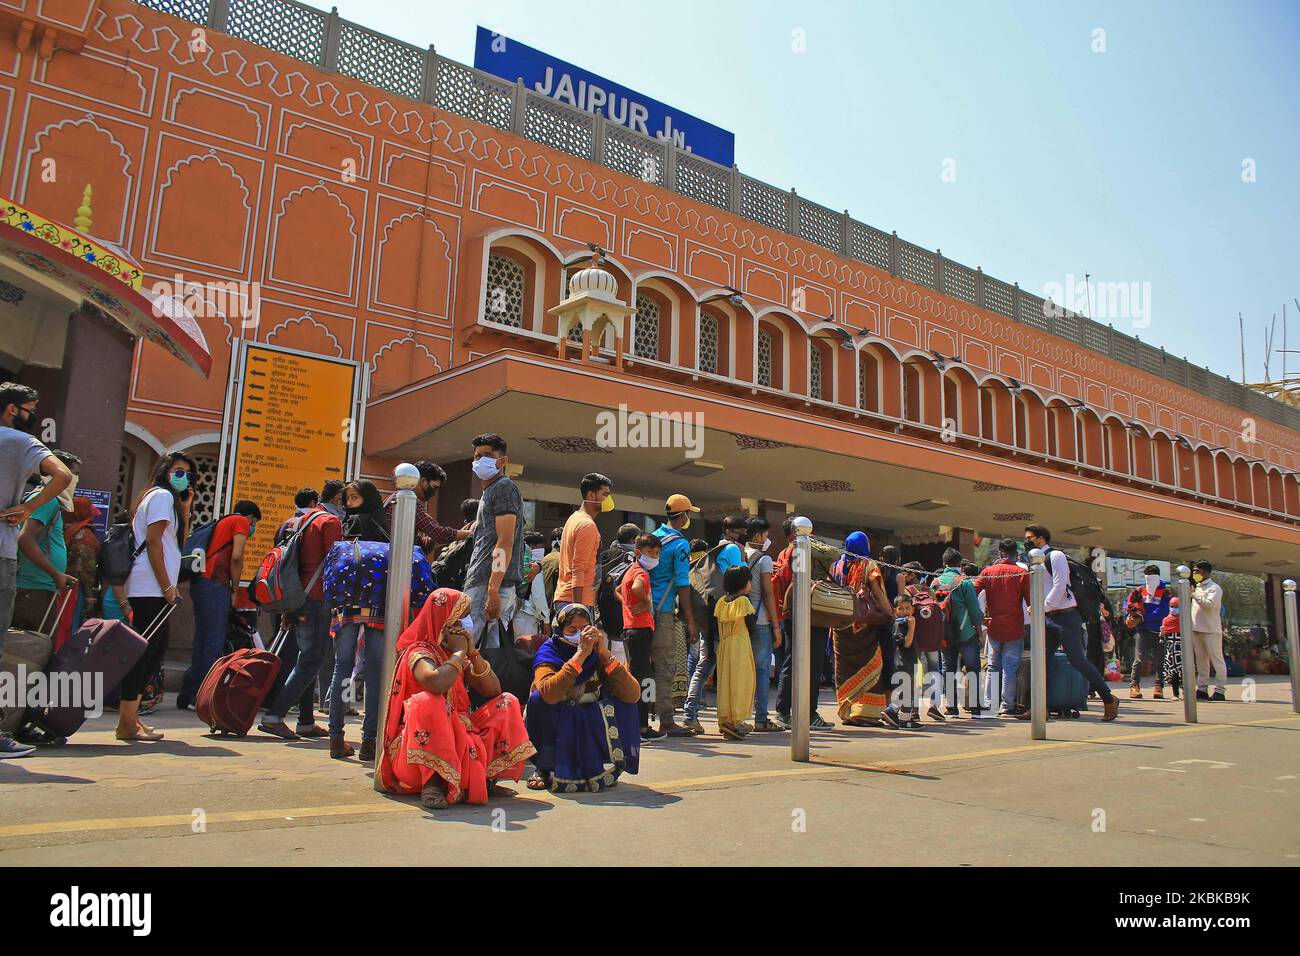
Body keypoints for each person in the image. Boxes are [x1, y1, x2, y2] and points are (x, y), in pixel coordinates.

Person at [117, 452, 195, 742]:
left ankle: (131, 717)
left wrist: (185, 511)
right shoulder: (161, 496)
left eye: (187, 472)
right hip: (151, 587)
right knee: (144, 654)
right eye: (178, 471)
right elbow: (153, 542)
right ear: (164, 471)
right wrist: (167, 587)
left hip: (152, 586)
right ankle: (126, 722)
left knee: (152, 652)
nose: (183, 477)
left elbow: (175, 543)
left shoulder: (163, 499)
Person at [525, 603, 641, 793]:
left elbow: (633, 693)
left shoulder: (597, 653)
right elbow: (549, 694)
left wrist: (604, 654)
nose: (580, 635)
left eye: (584, 629)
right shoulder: (549, 651)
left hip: (588, 712)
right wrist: (580, 656)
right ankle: (543, 767)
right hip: (557, 712)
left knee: (625, 702)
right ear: (560, 629)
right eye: (572, 630)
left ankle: (604, 762)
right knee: (538, 700)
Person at [259, 493, 343, 740]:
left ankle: (306, 721)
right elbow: (334, 562)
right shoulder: (329, 522)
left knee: (304, 658)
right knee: (311, 660)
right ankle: (274, 715)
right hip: (316, 598)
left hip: (294, 596)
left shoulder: (293, 522)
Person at [1023, 525, 1118, 721]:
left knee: (1078, 660)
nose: (1027, 541)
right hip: (1047, 617)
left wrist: (1042, 606)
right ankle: (1040, 707)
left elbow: (1060, 585)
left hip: (1066, 616)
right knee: (1042, 663)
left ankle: (1108, 698)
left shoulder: (1055, 556)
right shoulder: (1034, 561)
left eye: (1030, 537)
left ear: (1041, 539)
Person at [328, 479, 391, 760]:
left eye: (355, 498)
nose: (350, 504)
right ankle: (369, 741)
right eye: (348, 499)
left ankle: (336, 737)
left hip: (346, 603)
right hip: (377, 604)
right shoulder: (382, 524)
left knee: (343, 669)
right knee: (376, 670)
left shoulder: (348, 525)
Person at [178, 499, 261, 709]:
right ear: (250, 517)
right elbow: (236, 557)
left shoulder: (221, 522)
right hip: (215, 583)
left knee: (202, 640)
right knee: (214, 641)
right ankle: (202, 696)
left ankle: (188, 693)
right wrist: (234, 587)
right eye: (255, 523)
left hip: (201, 583)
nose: (252, 528)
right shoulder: (240, 521)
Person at [683, 514, 747, 733]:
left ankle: (690, 715)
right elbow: (740, 581)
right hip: (725, 616)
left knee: (704, 665)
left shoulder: (716, 550)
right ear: (733, 532)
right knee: (731, 668)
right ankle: (731, 720)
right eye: (742, 532)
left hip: (708, 612)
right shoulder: (733, 550)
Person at [772, 517, 835, 730]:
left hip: (791, 612)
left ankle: (784, 710)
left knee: (792, 661)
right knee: (813, 663)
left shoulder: (783, 552)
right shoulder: (804, 549)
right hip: (811, 612)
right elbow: (834, 556)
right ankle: (807, 712)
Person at [464, 434, 525, 650]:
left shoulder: (503, 488)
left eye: (488, 455)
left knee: (473, 649)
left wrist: (493, 589)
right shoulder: (490, 491)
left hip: (490, 583)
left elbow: (505, 541)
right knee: (483, 651)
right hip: (484, 582)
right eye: (477, 456)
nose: (480, 460)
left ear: (503, 461)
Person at [829, 531, 895, 728]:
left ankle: (848, 711)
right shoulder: (869, 565)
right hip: (864, 626)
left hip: (841, 625)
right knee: (872, 667)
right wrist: (890, 612)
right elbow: (878, 592)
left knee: (845, 669)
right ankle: (865, 713)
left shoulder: (836, 565)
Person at [647, 494, 700, 737]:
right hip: (663, 611)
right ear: (685, 515)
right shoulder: (680, 544)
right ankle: (666, 720)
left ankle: (643, 717)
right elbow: (682, 585)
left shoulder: (655, 537)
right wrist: (691, 622)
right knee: (665, 666)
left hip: (644, 610)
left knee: (645, 666)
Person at [12, 449, 81, 633]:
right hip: (33, 588)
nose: (75, 479)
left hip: (41, 587)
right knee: (27, 653)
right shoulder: (47, 500)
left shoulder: (51, 501)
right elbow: (25, 539)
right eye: (74, 474)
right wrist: (55, 574)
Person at [973, 538, 1031, 716]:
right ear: (1016, 553)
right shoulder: (1021, 573)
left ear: (1000, 553)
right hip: (1015, 626)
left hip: (994, 626)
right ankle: (1007, 705)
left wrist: (978, 616)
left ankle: (990, 703)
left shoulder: (988, 572)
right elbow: (1031, 601)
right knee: (1010, 667)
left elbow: (971, 591)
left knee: (993, 666)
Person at [619, 532, 662, 739]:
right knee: (644, 680)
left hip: (631, 630)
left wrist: (629, 605)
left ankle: (637, 725)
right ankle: (641, 728)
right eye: (650, 552)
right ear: (638, 552)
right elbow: (636, 587)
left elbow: (618, 590)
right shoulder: (641, 573)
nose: (654, 556)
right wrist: (645, 602)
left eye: (656, 552)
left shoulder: (631, 569)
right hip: (641, 631)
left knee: (638, 677)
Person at [935, 548, 985, 716]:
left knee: (948, 669)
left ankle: (951, 707)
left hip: (944, 633)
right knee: (973, 668)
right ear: (960, 564)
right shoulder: (964, 582)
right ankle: (975, 706)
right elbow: (974, 611)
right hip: (965, 633)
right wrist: (979, 632)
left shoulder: (935, 582)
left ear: (944, 564)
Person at [745, 516, 783, 732]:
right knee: (761, 670)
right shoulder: (764, 559)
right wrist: (776, 626)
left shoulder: (739, 553)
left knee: (741, 669)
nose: (768, 539)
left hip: (740, 620)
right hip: (759, 621)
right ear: (758, 536)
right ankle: (761, 717)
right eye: (766, 535)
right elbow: (768, 593)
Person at [385, 460, 468, 560]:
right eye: (434, 487)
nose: (434, 492)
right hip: (398, 561)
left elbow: (422, 542)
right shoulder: (410, 502)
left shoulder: (392, 498)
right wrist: (470, 533)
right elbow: (438, 533)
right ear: (423, 481)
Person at [554, 472, 612, 606]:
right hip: (577, 601)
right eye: (605, 494)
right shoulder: (587, 525)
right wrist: (578, 609)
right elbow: (578, 568)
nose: (608, 499)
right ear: (591, 495)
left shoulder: (573, 519)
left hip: (565, 597)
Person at [713, 566, 757, 740]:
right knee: (741, 682)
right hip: (740, 644)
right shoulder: (744, 601)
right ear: (743, 583)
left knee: (726, 683)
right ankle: (736, 720)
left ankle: (726, 721)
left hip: (725, 645)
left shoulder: (720, 601)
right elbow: (751, 625)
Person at [900, 561, 945, 721]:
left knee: (915, 672)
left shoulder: (907, 590)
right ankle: (933, 706)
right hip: (931, 638)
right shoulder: (930, 590)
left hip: (915, 637)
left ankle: (914, 709)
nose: (903, 576)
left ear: (912, 575)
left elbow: (903, 612)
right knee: (934, 669)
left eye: (905, 573)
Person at [1124, 564, 1171, 699]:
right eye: (1147, 578)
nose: (1149, 581)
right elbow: (1128, 603)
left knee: (1159, 660)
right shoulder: (1139, 591)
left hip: (1159, 631)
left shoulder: (1165, 593)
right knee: (1139, 659)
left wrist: (1143, 618)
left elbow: (1163, 611)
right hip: (1142, 632)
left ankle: (1158, 686)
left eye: (1151, 578)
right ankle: (1134, 686)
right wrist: (1130, 615)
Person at [63, 495, 102, 629]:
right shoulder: (85, 535)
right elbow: (85, 568)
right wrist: (90, 595)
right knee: (71, 626)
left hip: (61, 585)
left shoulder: (66, 530)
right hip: (76, 589)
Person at [1190, 560, 1226, 701]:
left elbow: (1210, 605)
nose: (1195, 574)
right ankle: (1202, 689)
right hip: (1197, 629)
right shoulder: (1197, 588)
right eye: (1194, 571)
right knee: (1201, 662)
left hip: (1211, 630)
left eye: (1197, 571)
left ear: (1205, 572)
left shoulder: (1214, 588)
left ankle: (1220, 690)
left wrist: (1195, 595)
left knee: (1216, 661)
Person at [892, 594, 923, 728]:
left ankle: (900, 716)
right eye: (901, 608)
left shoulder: (906, 623)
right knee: (905, 693)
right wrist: (912, 626)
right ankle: (897, 715)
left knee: (906, 692)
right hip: (903, 663)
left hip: (909, 661)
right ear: (896, 611)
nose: (905, 611)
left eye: (908, 608)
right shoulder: (900, 624)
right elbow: (906, 643)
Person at [1160, 597, 1183, 699]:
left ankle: (1185, 692)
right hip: (1172, 651)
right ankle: (1175, 694)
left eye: (1177, 607)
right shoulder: (1166, 620)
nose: (1174, 609)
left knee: (1184, 672)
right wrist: (1162, 633)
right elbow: (1162, 637)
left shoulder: (1185, 620)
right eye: (1172, 607)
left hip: (1183, 651)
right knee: (1174, 673)